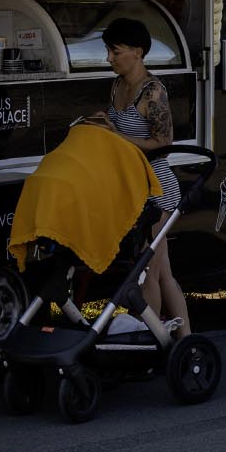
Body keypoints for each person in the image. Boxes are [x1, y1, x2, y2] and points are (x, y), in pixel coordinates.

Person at [83, 17, 186, 337]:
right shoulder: (117, 85)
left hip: (157, 189)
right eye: (108, 51)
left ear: (138, 52)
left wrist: (115, 136)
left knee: (149, 271)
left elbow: (163, 144)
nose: (109, 58)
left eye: (115, 51)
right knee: (163, 270)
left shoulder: (153, 92)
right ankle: (185, 340)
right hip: (132, 187)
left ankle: (149, 339)